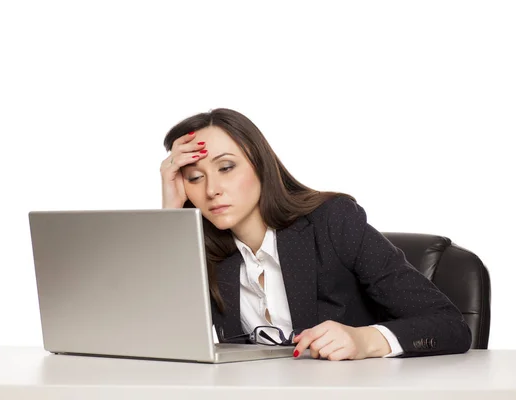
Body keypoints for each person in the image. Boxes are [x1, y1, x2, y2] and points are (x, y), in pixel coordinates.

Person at [160, 108, 471, 360]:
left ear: (260, 165)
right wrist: (172, 217)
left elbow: (450, 324)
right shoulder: (200, 253)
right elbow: (164, 343)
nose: (212, 189)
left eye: (226, 167)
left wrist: (366, 340)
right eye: (195, 177)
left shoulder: (334, 223)